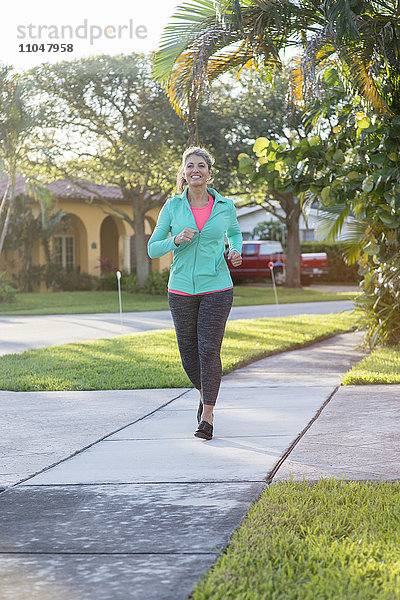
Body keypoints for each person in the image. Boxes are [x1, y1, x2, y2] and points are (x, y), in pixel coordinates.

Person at [147, 147, 243, 440]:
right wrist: (175, 240)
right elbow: (153, 248)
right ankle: (205, 394)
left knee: (209, 349)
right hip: (180, 289)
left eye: (201, 165)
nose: (195, 170)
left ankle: (209, 416)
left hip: (217, 287)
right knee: (188, 353)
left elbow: (235, 233)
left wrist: (235, 249)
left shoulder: (225, 206)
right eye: (190, 166)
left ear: (209, 173)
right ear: (184, 173)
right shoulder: (172, 207)